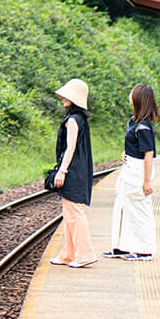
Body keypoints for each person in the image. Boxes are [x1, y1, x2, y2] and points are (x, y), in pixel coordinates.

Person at [104, 84, 158, 260]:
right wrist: (125, 153)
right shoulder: (133, 121)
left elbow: (148, 154)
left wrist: (147, 180)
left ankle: (144, 250)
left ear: (138, 99)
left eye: (132, 94)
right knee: (123, 206)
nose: (129, 96)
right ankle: (122, 246)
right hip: (129, 168)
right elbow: (133, 145)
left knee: (139, 208)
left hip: (138, 170)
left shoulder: (144, 126)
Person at [50, 78, 96, 268]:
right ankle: (68, 254)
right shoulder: (80, 119)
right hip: (79, 169)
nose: (63, 98)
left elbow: (70, 148)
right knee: (69, 213)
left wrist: (62, 170)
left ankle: (85, 254)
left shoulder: (72, 121)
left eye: (67, 95)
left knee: (74, 213)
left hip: (72, 170)